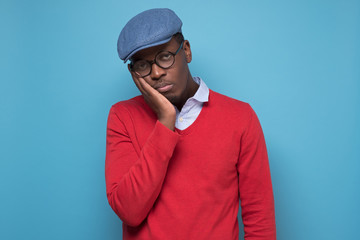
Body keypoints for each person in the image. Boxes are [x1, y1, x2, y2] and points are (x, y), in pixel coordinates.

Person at [105, 8, 276, 240]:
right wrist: (165, 122)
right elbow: (129, 211)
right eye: (143, 65)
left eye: (165, 56)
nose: (155, 73)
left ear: (186, 51)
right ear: (133, 73)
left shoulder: (240, 117)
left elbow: (260, 221)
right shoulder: (123, 116)